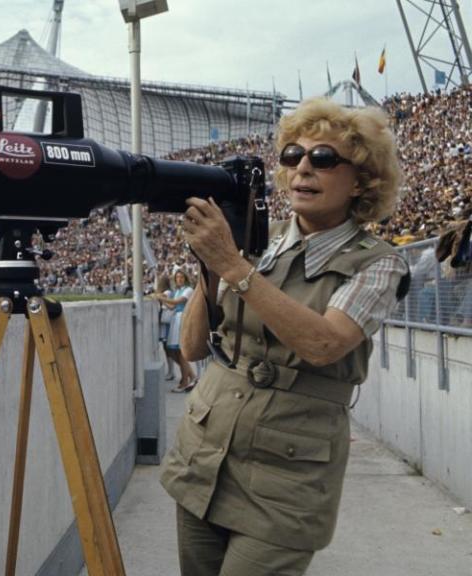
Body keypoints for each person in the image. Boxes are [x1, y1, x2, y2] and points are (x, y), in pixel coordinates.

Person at [160, 97, 410, 576]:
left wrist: (233, 266)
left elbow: (323, 344)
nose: (303, 168)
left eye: (323, 158)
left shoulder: (378, 262)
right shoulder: (257, 237)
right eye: (292, 155)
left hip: (284, 476)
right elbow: (192, 347)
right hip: (205, 455)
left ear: (361, 180)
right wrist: (213, 266)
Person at [154, 268, 196, 392]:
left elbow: (177, 302)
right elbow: (172, 306)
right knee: (174, 352)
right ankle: (190, 376)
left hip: (182, 319)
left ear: (185, 279)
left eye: (181, 277)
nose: (179, 280)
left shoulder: (188, 290)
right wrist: (162, 299)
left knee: (181, 352)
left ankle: (185, 381)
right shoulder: (178, 291)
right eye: (177, 278)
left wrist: (161, 297)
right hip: (176, 319)